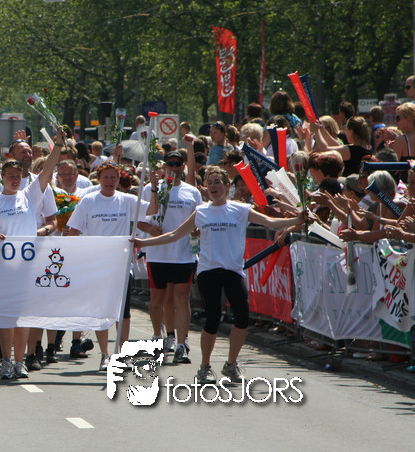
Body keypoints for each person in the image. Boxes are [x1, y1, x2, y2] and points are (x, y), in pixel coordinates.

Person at [134, 166, 308, 384]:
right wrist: (143, 243)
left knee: (242, 317)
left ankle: (231, 364)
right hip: (208, 271)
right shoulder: (202, 211)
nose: (213, 186)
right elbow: (175, 234)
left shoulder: (240, 209)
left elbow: (269, 222)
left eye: (217, 182)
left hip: (233, 270)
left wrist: (296, 221)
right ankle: (204, 367)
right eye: (209, 183)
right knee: (213, 318)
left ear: (226, 186)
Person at [0, 127, 63, 379]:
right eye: (10, 176)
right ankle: (6, 361)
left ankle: (20, 361)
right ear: (2, 177)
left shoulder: (29, 196)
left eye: (18, 176)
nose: (15, 180)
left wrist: (59, 146)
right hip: (3, 267)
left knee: (24, 315)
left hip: (27, 266)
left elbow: (47, 170)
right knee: (6, 316)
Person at [66, 160, 154, 370]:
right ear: (99, 179)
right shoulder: (88, 201)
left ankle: (122, 354)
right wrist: (75, 256)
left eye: (113, 177)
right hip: (97, 266)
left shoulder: (127, 200)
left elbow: (152, 209)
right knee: (102, 311)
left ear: (118, 180)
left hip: (121, 266)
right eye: (105, 177)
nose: (109, 181)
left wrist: (155, 188)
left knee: (122, 313)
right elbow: (74, 230)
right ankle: (105, 354)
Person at [141, 150, 203, 364]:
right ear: (164, 166)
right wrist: (149, 228)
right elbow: (138, 219)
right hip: (157, 253)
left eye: (178, 164)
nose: (174, 168)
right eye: (170, 164)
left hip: (183, 254)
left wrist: (197, 230)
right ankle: (158, 336)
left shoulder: (192, 192)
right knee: (158, 300)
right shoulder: (151, 188)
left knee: (182, 299)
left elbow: (200, 219)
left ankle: (181, 344)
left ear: (183, 166)